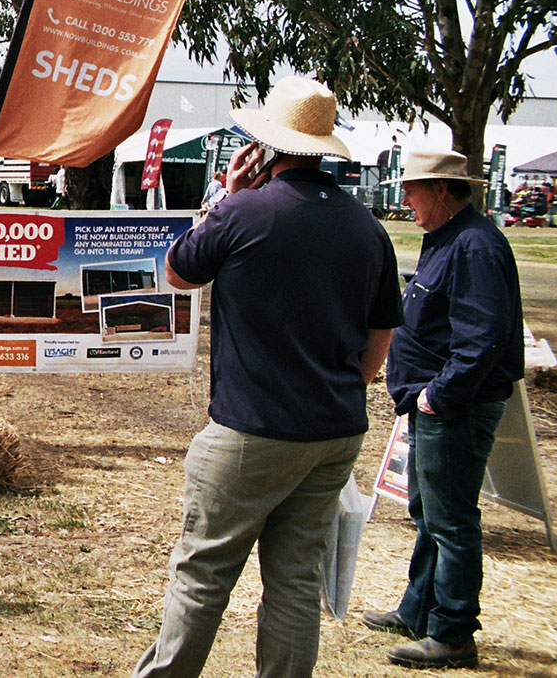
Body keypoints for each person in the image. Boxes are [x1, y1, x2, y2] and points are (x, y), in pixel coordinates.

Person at [131, 76, 401, 678]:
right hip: (333, 431)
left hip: (251, 429)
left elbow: (178, 273)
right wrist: (342, 387)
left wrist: (222, 201)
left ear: (265, 147)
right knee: (297, 582)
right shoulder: (369, 228)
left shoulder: (244, 211)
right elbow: (382, 336)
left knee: (203, 576)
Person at [362, 149, 522, 670]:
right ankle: (419, 609)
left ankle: (452, 633)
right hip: (440, 405)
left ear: (443, 191)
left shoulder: (475, 246)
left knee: (450, 520)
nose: (403, 199)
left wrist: (436, 396)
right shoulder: (453, 239)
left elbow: (484, 339)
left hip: (455, 407)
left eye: (411, 189)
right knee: (429, 511)